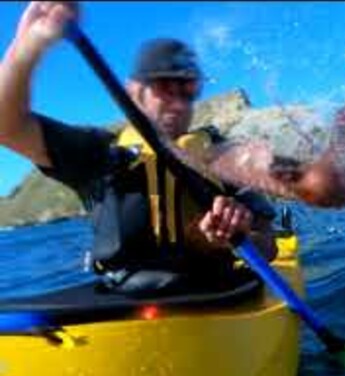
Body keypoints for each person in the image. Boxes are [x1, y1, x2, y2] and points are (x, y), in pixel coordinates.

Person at [0, 2, 287, 296]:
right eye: (165, 87)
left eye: (188, 90)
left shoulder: (221, 157)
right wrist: (28, 45)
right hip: (125, 299)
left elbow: (269, 247)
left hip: (217, 293)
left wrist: (237, 238)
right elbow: (6, 125)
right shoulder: (100, 154)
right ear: (135, 91)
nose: (178, 102)